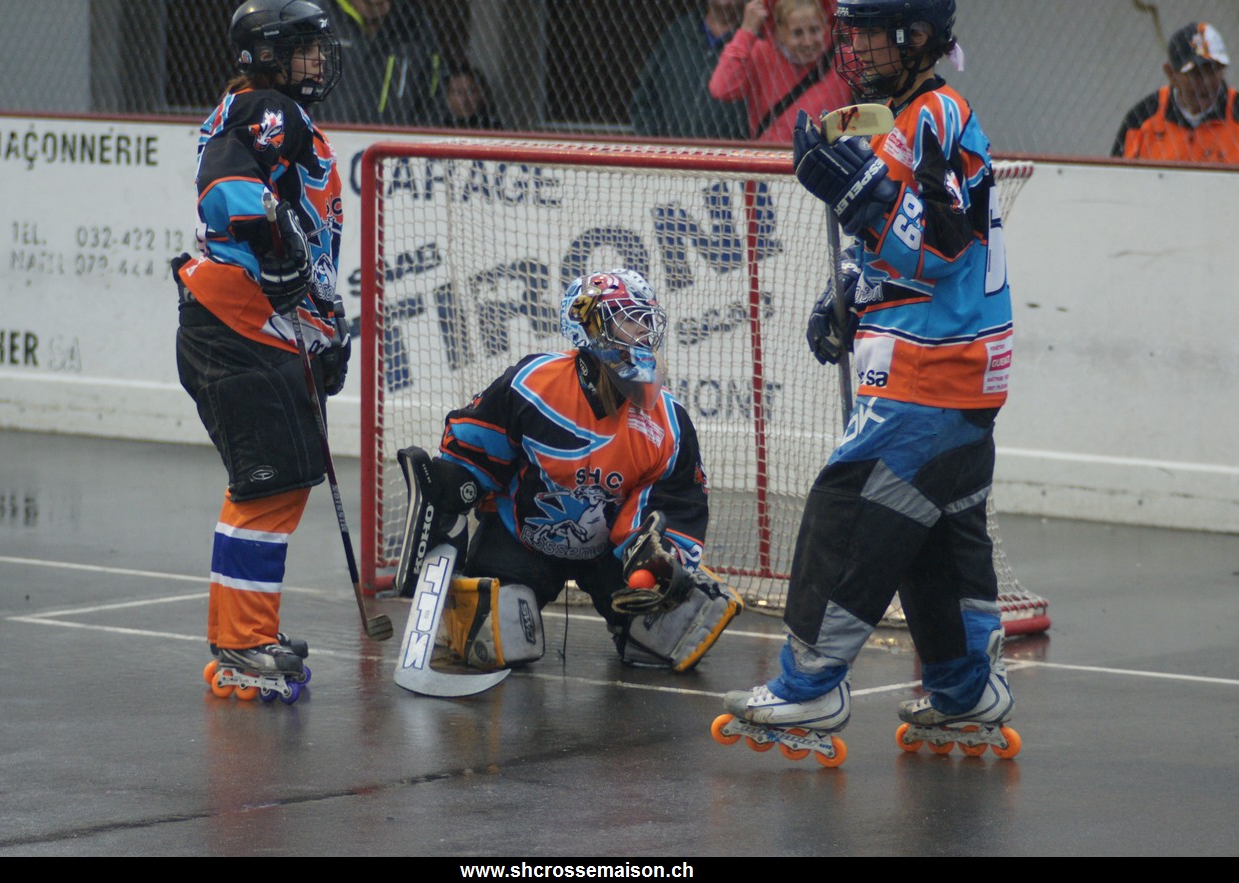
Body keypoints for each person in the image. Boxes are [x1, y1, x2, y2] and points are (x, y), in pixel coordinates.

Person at [722, 0, 1019, 753]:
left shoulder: (935, 116)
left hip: (933, 370)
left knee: (846, 510)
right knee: (929, 536)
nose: (851, 46)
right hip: (955, 375)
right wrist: (850, 293)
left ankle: (809, 687)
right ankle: (966, 688)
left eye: (867, 32)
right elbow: (901, 252)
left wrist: (862, 197)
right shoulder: (899, 117)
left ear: (915, 37)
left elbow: (944, 245)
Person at [394, 269, 743, 674]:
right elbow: (474, 450)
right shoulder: (532, 385)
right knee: (500, 641)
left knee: (675, 635)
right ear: (589, 326)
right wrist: (453, 489)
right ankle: (472, 605)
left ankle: (629, 621)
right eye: (629, 319)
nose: (643, 330)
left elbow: (675, 499)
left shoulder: (669, 421)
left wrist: (661, 558)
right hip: (521, 542)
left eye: (646, 319)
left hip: (607, 555)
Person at [173, 0, 349, 699]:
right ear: (267, 55)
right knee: (271, 485)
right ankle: (244, 645)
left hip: (247, 328)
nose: (318, 59)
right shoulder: (266, 107)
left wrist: (322, 331)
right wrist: (265, 232)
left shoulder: (269, 110)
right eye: (303, 47)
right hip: (236, 326)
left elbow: (304, 246)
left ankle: (242, 637)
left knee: (270, 483)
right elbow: (224, 182)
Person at [708, 0, 852, 143]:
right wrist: (747, 31)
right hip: (772, 154)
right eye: (797, 33)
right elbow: (721, 89)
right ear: (779, 32)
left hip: (826, 154)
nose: (808, 42)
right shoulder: (762, 53)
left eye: (814, 30)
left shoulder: (843, 58)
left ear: (826, 27)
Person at [1112, 22, 1238, 165]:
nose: (1206, 82)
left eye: (1213, 71)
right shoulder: (1142, 118)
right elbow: (1115, 175)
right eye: (1195, 73)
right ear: (1171, 73)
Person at [629, 0, 749, 141]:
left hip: (729, 152)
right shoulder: (679, 32)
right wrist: (653, 142)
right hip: (670, 151)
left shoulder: (753, 41)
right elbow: (643, 94)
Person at [317, 0, 442, 126]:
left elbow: (432, 100)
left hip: (394, 135)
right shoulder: (317, 15)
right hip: (325, 132)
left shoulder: (416, 24)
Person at [440, 64, 501, 130]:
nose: (464, 99)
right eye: (457, 93)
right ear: (447, 97)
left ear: (482, 94)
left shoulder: (495, 129)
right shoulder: (439, 129)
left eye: (470, 92)